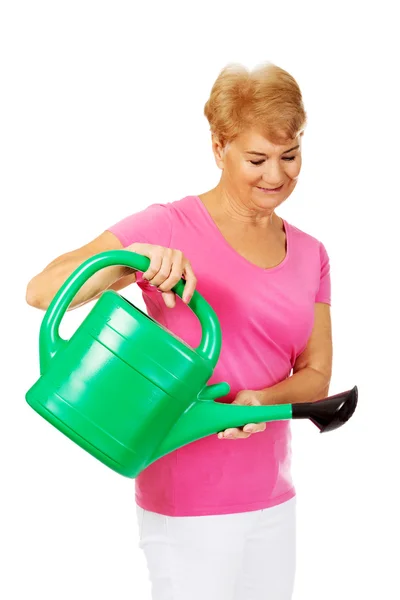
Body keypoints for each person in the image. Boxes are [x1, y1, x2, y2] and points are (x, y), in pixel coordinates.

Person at [26, 62, 332, 600]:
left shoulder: (311, 253)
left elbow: (316, 376)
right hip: (187, 503)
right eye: (257, 158)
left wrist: (259, 399)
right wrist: (129, 262)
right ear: (219, 147)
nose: (276, 175)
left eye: (290, 155)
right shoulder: (169, 225)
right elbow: (42, 290)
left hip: (275, 500)